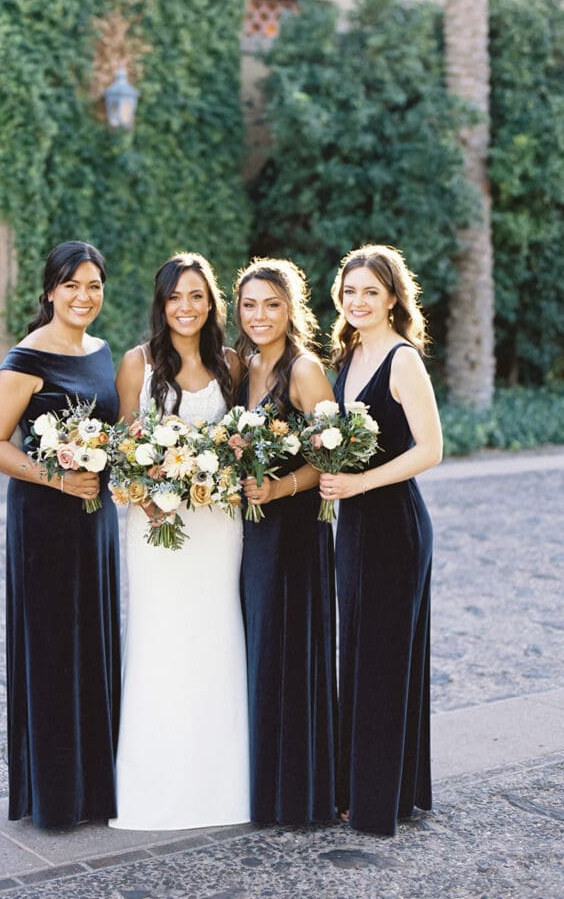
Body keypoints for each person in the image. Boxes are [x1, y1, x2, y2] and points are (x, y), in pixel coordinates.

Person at [0, 241, 120, 829]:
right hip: (45, 520)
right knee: (53, 649)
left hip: (95, 518)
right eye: (72, 285)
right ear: (51, 291)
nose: (84, 297)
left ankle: (97, 790)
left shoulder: (101, 352)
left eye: (94, 286)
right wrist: (57, 478)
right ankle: (57, 799)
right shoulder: (26, 358)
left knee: (93, 641)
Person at [109, 253, 250, 830]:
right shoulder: (137, 364)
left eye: (196, 296)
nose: (185, 308)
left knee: (217, 634)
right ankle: (155, 785)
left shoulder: (232, 364)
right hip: (157, 529)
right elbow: (122, 451)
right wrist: (152, 503)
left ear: (211, 303)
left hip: (219, 525)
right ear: (161, 303)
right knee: (161, 639)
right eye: (174, 297)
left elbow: (242, 443)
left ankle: (225, 786)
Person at [321, 243, 443, 836]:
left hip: (395, 525)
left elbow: (431, 449)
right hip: (355, 525)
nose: (359, 301)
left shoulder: (402, 360)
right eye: (350, 292)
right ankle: (367, 788)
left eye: (371, 291)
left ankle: (377, 803)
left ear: (393, 297)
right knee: (358, 655)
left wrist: (359, 482)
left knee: (384, 661)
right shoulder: (349, 354)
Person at [234, 257, 338, 825]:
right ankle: (259, 780)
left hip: (295, 533)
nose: (260, 315)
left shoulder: (304, 370)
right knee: (258, 648)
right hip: (251, 533)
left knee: (289, 650)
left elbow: (334, 457)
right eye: (250, 305)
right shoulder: (242, 366)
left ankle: (297, 791)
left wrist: (279, 488)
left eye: (272, 304)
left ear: (290, 309)